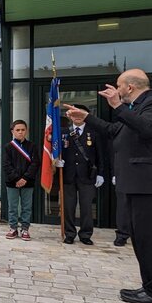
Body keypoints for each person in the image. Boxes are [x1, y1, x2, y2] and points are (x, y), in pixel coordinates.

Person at [66, 68, 152, 303]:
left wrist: (117, 106)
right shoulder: (134, 109)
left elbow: (147, 128)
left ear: (129, 87)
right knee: (141, 239)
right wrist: (86, 117)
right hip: (137, 184)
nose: (117, 90)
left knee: (150, 239)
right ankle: (151, 286)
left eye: (119, 86)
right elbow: (113, 131)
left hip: (148, 186)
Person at [60, 105, 105, 245]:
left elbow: (101, 156)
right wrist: (56, 162)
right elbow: (56, 151)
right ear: (69, 116)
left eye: (81, 114)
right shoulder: (63, 132)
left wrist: (101, 174)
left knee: (86, 207)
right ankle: (69, 234)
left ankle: (85, 234)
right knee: (68, 207)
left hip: (88, 176)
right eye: (74, 114)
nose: (77, 117)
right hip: (68, 175)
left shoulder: (94, 132)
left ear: (87, 115)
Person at [2, 119, 40, 241]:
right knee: (13, 206)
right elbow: (6, 165)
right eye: (17, 130)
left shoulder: (32, 146)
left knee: (26, 207)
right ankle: (13, 228)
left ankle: (25, 229)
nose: (20, 132)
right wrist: (17, 178)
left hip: (28, 182)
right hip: (12, 182)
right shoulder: (8, 147)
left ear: (26, 131)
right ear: (12, 131)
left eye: (23, 130)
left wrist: (25, 178)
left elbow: (35, 163)